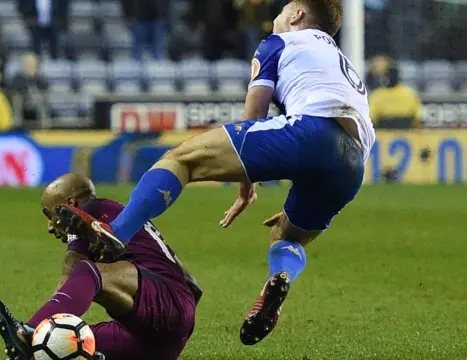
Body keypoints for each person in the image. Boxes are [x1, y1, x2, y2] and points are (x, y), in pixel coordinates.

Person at [54, 0, 375, 347]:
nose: (277, 17)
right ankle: (280, 277)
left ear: (297, 15)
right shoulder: (344, 65)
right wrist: (312, 185)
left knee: (181, 159)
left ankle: (118, 232)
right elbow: (339, 140)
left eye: (282, 11)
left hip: (311, 131)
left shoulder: (280, 42)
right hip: (354, 161)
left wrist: (244, 185)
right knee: (290, 237)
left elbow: (254, 113)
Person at [0, 173, 201, 360]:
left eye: (50, 215)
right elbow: (194, 287)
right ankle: (35, 346)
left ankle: (26, 333)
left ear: (70, 204)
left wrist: (35, 326)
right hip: (159, 338)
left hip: (165, 307)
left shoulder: (91, 210)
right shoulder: (122, 216)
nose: (50, 227)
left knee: (88, 271)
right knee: (62, 343)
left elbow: (70, 275)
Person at [368, 64, 422, 129]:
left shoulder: (409, 93)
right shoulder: (409, 92)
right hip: (391, 131)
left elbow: (417, 118)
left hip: (395, 132)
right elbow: (418, 118)